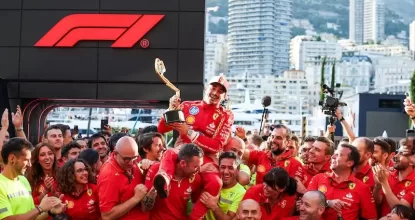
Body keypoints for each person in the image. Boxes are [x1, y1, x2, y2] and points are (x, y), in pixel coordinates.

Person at [155, 76, 234, 219]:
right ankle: (163, 181)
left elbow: (217, 146)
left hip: (206, 158)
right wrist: (170, 108)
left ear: (225, 96)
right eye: (213, 87)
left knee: (215, 182)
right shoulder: (187, 106)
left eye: (220, 91)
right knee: (170, 153)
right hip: (182, 151)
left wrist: (188, 132)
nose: (215, 93)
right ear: (206, 88)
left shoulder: (225, 116)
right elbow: (161, 128)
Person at [307, 144, 377, 220]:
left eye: (338, 155)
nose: (333, 157)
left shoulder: (363, 188)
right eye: (334, 154)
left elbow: (371, 218)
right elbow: (306, 204)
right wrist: (327, 203)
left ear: (349, 163)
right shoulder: (318, 178)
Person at [0, 138, 65, 219]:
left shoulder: (23, 180)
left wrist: (50, 211)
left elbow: (33, 217)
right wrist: (40, 208)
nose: (30, 165)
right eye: (26, 160)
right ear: (12, 159)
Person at [142, 143, 203, 219]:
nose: (199, 170)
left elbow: (195, 204)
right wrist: (155, 189)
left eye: (201, 166)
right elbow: (144, 209)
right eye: (196, 167)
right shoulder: (156, 170)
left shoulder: (196, 179)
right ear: (183, 163)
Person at [97, 136, 148, 220]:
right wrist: (135, 199)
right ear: (115, 153)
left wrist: (146, 172)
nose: (132, 163)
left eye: (135, 158)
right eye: (127, 159)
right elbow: (106, 215)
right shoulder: (109, 176)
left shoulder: (130, 159)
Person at [202, 152, 246, 220]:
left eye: (231, 168)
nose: (226, 172)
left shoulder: (241, 192)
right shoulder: (209, 182)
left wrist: (213, 206)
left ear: (238, 170)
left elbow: (229, 218)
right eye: (223, 167)